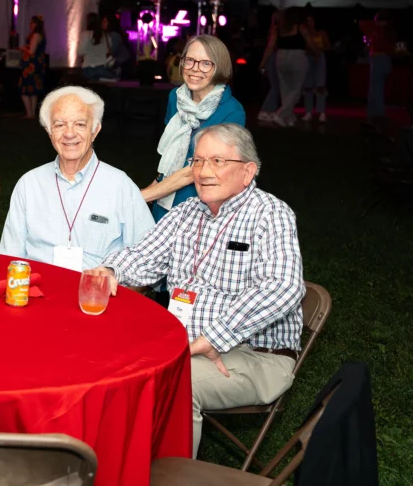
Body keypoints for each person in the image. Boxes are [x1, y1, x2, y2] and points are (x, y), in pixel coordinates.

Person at [93, 124, 305, 457]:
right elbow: (141, 259)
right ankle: (114, 466)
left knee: (174, 385)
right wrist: (109, 270)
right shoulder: (187, 213)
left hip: (255, 354)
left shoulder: (270, 214)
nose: (204, 172)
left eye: (218, 161)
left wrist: (214, 337)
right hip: (183, 345)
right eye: (197, 161)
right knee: (109, 363)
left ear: (247, 171)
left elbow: (283, 287)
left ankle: (169, 477)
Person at [0, 86, 154, 271]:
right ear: (50, 133)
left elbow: (147, 259)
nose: (69, 133)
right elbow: (9, 256)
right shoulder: (29, 185)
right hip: (36, 291)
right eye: (59, 125)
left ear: (95, 130)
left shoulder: (121, 186)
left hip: (96, 296)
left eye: (80, 124)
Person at [142, 35, 246, 222]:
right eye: (190, 60)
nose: (195, 69)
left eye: (206, 63)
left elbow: (196, 169)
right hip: (165, 197)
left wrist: (143, 196)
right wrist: (152, 191)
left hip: (201, 206)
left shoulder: (232, 112)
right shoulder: (176, 97)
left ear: (219, 67)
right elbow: (171, 155)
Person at [260, 7, 316, 127]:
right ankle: (280, 114)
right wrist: (316, 53)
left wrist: (263, 62)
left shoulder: (278, 29)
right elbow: (310, 42)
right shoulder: (300, 27)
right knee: (296, 88)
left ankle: (288, 117)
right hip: (297, 56)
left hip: (281, 57)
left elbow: (270, 47)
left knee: (285, 89)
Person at [364, 12, 396, 120]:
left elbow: (375, 45)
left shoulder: (379, 31)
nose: (375, 22)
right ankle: (374, 116)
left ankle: (377, 117)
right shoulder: (388, 32)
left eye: (377, 20)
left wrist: (370, 41)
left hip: (379, 61)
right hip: (383, 60)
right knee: (376, 90)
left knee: (375, 91)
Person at [302, 11, 331, 123]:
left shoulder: (321, 33)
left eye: (312, 20)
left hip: (319, 59)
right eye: (308, 21)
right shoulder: (304, 34)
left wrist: (319, 50)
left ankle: (321, 112)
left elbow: (329, 46)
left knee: (320, 85)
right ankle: (308, 111)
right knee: (308, 85)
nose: (310, 23)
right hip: (308, 59)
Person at [18, 15, 48, 119]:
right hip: (38, 64)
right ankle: (32, 113)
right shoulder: (41, 35)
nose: (30, 25)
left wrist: (23, 49)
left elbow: (32, 51)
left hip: (32, 65)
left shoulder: (35, 35)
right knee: (34, 89)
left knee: (25, 89)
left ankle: (29, 113)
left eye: (31, 23)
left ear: (35, 24)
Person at [257, 9, 283, 124]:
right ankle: (265, 110)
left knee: (276, 86)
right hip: (273, 58)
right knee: (276, 86)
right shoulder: (276, 29)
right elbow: (271, 46)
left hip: (274, 58)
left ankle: (270, 111)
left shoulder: (275, 29)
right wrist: (263, 62)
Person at [76, 12, 114, 81]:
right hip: (103, 69)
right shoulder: (106, 35)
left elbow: (80, 52)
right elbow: (108, 50)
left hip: (88, 70)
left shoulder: (85, 34)